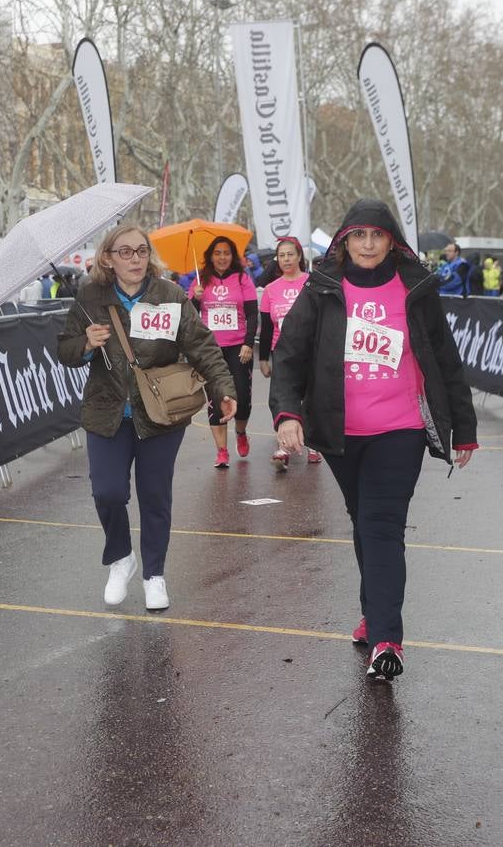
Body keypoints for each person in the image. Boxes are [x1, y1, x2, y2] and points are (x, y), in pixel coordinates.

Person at [270, 198, 478, 681]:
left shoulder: (416, 290)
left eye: (377, 236)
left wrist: (463, 428)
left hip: (400, 429)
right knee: (363, 523)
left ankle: (388, 639)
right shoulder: (322, 287)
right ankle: (375, 613)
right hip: (339, 433)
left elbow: (445, 360)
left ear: (392, 241)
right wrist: (287, 413)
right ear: (344, 240)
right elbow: (289, 355)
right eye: (359, 236)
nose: (367, 245)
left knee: (382, 525)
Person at [58, 225, 237, 611]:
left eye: (141, 251)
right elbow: (65, 350)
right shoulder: (90, 296)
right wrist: (86, 343)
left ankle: (154, 574)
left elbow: (202, 345)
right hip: (107, 413)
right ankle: (121, 557)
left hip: (160, 414)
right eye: (124, 252)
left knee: (154, 496)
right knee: (107, 492)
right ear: (107, 258)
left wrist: (224, 389)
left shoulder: (169, 295)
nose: (135, 259)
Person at [190, 236, 258, 468]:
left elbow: (252, 314)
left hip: (239, 347)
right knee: (216, 398)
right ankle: (221, 451)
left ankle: (240, 432)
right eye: (217, 253)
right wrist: (195, 299)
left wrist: (249, 343)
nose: (222, 257)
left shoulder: (242, 279)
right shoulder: (200, 281)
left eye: (226, 253)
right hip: (211, 350)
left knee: (243, 396)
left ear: (233, 256)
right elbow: (189, 317)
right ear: (210, 255)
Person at [258, 237, 321, 469]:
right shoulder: (271, 290)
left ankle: (314, 445)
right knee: (283, 398)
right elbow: (266, 328)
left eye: (290, 254)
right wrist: (264, 358)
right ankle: (283, 447)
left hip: (312, 351)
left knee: (311, 397)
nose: (286, 259)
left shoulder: (311, 283)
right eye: (281, 255)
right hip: (283, 354)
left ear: (298, 257)